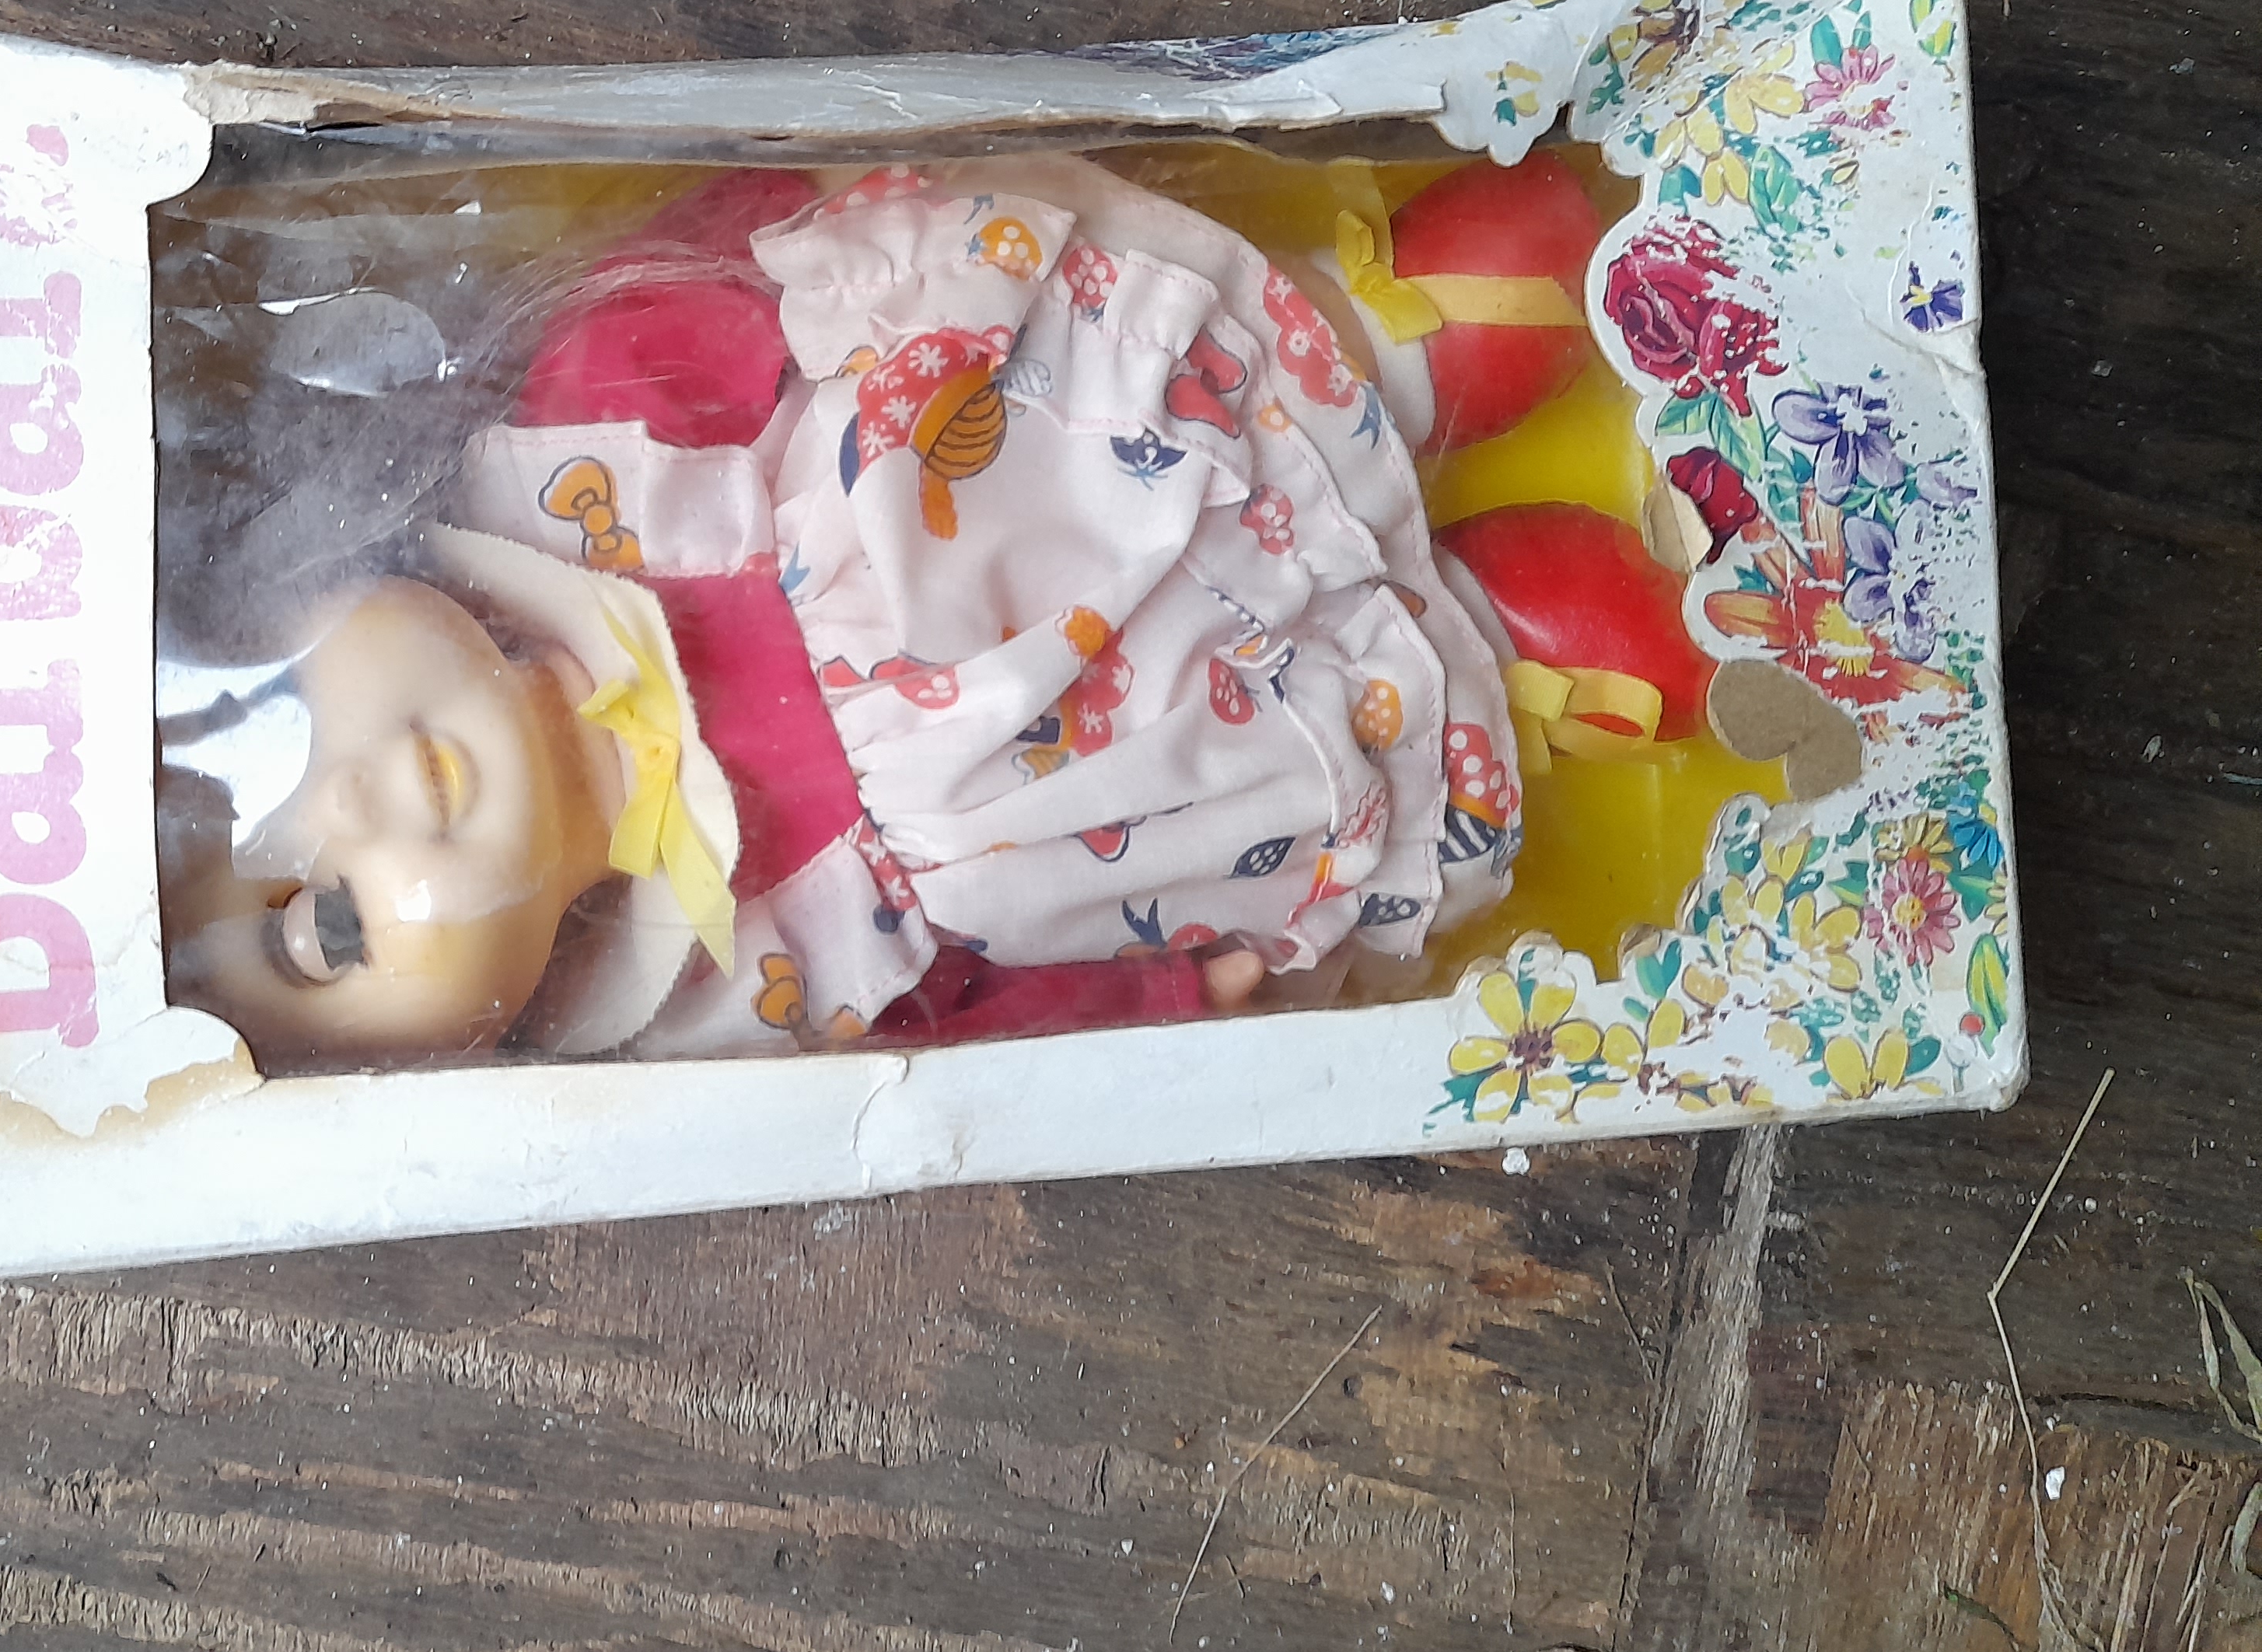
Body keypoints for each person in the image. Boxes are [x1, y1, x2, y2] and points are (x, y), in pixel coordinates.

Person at [166, 148, 1706, 1070]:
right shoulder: (711, 1012)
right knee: (1298, 788)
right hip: (1165, 788)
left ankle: (1378, 355)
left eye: (281, 711)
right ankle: (1469, 664)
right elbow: (962, 1037)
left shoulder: (558, 464)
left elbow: (734, 278)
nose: (347, 804)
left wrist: (836, 230)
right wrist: (1162, 996)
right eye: (326, 926)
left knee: (1202, 390)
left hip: (1054, 479)